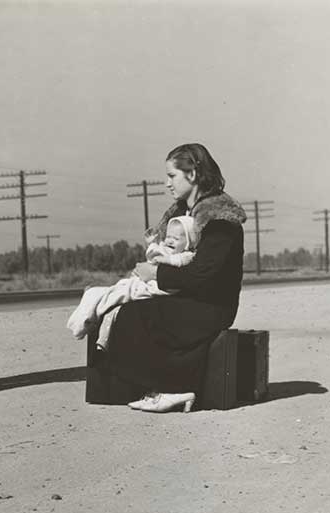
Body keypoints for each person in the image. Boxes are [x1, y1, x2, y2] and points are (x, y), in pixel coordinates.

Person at [95, 143, 247, 413]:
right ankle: (165, 385)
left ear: (193, 174)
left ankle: (175, 387)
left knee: (136, 316)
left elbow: (203, 275)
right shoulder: (182, 214)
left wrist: (155, 273)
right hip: (187, 298)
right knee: (119, 311)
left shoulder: (219, 219)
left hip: (212, 306)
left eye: (172, 176)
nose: (167, 184)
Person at [66, 215, 198, 349]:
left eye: (176, 239)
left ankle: (88, 320)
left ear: (188, 242)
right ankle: (89, 316)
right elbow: (153, 254)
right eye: (168, 237)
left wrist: (164, 260)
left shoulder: (186, 256)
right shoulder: (167, 250)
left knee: (113, 297)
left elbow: (179, 260)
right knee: (110, 296)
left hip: (151, 289)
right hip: (145, 284)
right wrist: (152, 243)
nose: (170, 241)